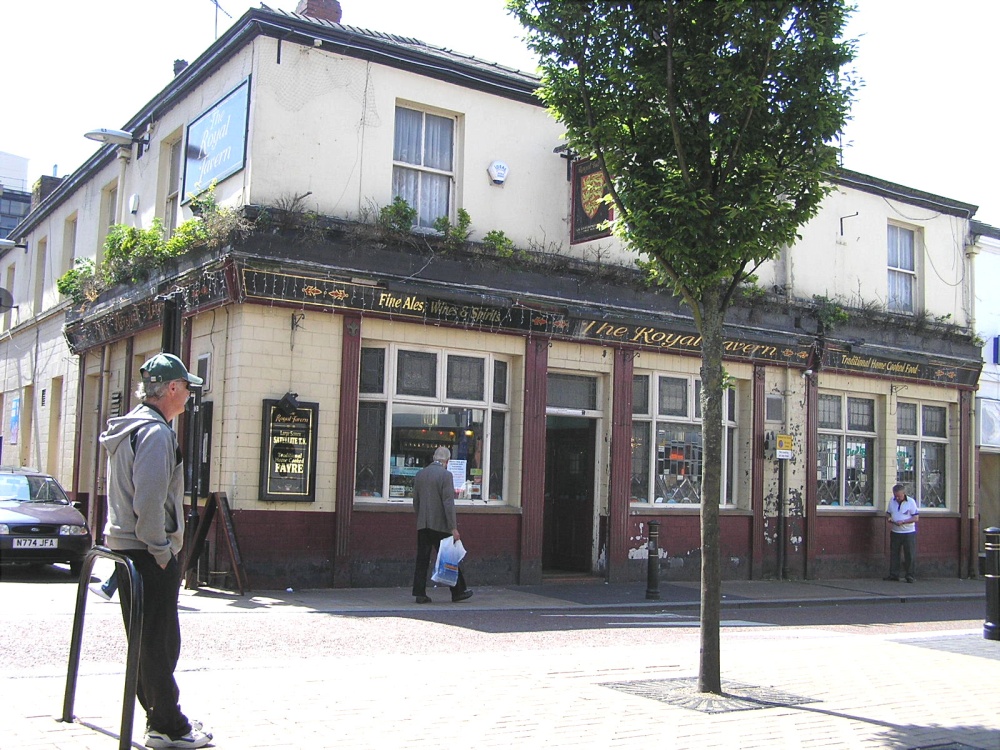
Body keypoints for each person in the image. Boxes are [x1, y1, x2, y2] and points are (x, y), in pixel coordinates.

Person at [99, 352, 212, 749]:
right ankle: (171, 726)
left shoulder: (134, 427)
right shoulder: (155, 433)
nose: (189, 397)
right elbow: (148, 502)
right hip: (147, 553)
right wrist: (163, 551)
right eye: (186, 389)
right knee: (159, 645)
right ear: (172, 389)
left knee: (150, 642)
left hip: (131, 549)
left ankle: (158, 720)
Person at [411, 446, 473, 604]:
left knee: (422, 560)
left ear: (434, 458)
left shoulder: (420, 474)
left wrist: (420, 518)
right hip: (440, 525)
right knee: (449, 558)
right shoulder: (446, 475)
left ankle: (419, 593)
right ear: (447, 460)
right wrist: (453, 527)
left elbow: (416, 501)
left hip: (423, 524)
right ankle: (458, 591)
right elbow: (448, 503)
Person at [885, 483, 919, 583]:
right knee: (894, 553)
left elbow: (915, 518)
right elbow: (888, 513)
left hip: (908, 532)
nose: (897, 498)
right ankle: (894, 574)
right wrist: (889, 518)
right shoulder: (892, 501)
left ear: (904, 494)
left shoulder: (911, 502)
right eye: (895, 495)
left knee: (909, 554)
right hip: (895, 531)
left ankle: (910, 575)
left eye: (899, 496)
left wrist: (903, 521)